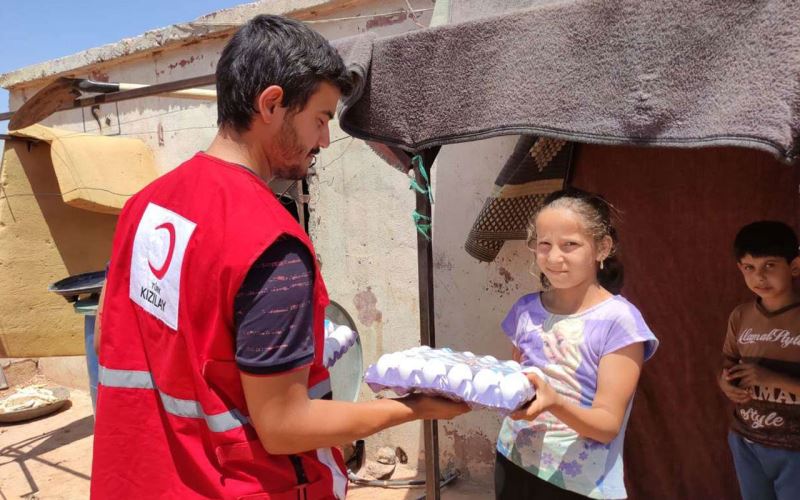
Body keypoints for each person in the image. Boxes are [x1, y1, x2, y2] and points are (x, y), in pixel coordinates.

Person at [91, 15, 467, 500]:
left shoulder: (144, 208)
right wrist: (414, 409)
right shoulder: (269, 242)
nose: (326, 141)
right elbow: (285, 426)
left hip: (141, 482)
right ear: (271, 104)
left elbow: (113, 340)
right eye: (321, 118)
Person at [494, 188, 659, 499]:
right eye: (545, 245)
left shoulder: (618, 321)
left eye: (570, 245)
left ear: (602, 247)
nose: (555, 257)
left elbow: (607, 424)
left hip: (579, 481)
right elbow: (515, 383)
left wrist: (554, 402)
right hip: (513, 458)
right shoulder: (525, 310)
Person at [719, 220, 800, 500]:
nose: (759, 277)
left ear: (795, 267)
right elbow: (729, 365)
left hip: (795, 449)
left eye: (770, 265)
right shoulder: (740, 316)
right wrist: (726, 383)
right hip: (747, 441)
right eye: (749, 268)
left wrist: (772, 379)